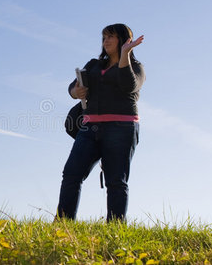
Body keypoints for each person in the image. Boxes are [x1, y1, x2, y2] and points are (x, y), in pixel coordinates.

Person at [56, 23, 145, 222]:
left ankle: (115, 227)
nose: (105, 41)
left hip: (121, 128)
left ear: (124, 40)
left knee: (116, 181)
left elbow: (129, 84)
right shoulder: (94, 65)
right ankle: (63, 224)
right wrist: (75, 92)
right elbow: (73, 86)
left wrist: (124, 55)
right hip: (89, 128)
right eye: (104, 37)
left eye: (111, 37)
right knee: (71, 174)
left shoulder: (137, 68)